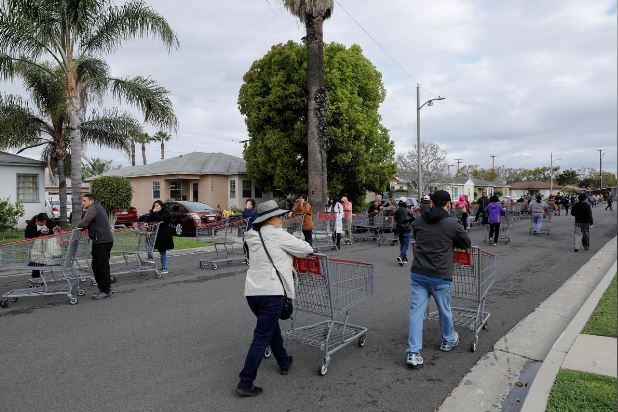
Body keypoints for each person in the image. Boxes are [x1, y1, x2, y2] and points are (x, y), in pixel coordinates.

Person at [236, 200, 314, 397]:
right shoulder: (278, 235)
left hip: (252, 292)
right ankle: (245, 382)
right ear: (270, 218)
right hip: (272, 292)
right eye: (279, 216)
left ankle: (284, 361)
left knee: (271, 330)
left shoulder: (251, 236)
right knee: (261, 337)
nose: (281, 219)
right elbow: (306, 249)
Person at [406, 190, 471, 368]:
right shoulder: (452, 223)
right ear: (448, 204)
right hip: (440, 275)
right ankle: (448, 339)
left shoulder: (419, 220)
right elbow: (466, 243)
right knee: (444, 309)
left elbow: (418, 237)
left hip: (419, 273)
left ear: (432, 203)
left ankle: (413, 352)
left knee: (416, 312)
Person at [78, 193, 114, 300]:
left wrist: (77, 226)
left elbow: (84, 222)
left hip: (102, 241)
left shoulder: (93, 208)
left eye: (84, 201)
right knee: (97, 266)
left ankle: (105, 291)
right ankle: (104, 288)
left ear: (91, 201)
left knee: (101, 267)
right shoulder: (97, 206)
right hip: (102, 240)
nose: (82, 203)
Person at [138, 200, 174, 274]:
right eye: (154, 205)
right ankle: (149, 266)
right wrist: (146, 222)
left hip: (163, 235)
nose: (155, 207)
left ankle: (165, 268)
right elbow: (149, 219)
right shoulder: (153, 213)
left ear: (161, 206)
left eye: (157, 205)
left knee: (162, 252)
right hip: (154, 235)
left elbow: (160, 218)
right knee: (148, 248)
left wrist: (154, 212)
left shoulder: (166, 213)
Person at [24, 213, 57, 278]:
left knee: (42, 259)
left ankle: (37, 277)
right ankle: (36, 278)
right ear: (37, 220)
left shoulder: (49, 222)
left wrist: (48, 231)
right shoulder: (31, 225)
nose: (43, 224)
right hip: (36, 247)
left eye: (44, 222)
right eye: (41, 222)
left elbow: (55, 230)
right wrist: (40, 232)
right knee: (36, 260)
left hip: (49, 246)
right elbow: (27, 236)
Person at [394, 197, 415, 265]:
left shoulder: (397, 211)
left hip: (399, 228)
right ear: (405, 203)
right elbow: (413, 218)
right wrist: (408, 221)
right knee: (405, 244)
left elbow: (395, 219)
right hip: (406, 229)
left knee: (402, 244)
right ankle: (401, 256)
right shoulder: (407, 210)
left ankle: (404, 258)